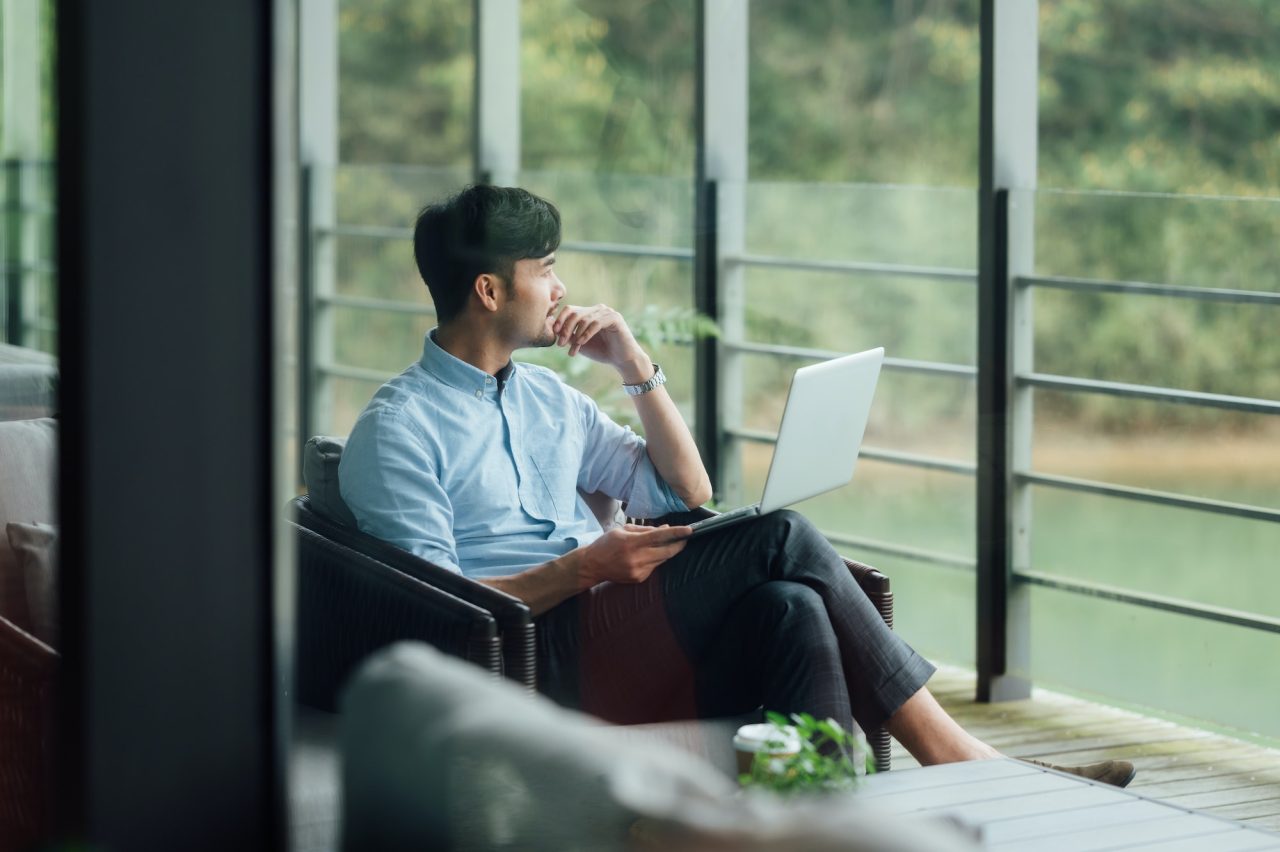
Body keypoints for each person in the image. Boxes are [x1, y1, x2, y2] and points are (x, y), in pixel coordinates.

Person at [338, 184, 1134, 786]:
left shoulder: (547, 396)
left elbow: (686, 488)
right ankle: (966, 763)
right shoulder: (398, 428)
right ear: (489, 291)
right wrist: (584, 568)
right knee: (780, 535)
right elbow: (436, 612)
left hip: (613, 617)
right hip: (530, 656)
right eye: (544, 270)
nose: (560, 286)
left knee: (790, 607)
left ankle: (824, 812)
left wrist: (633, 366)